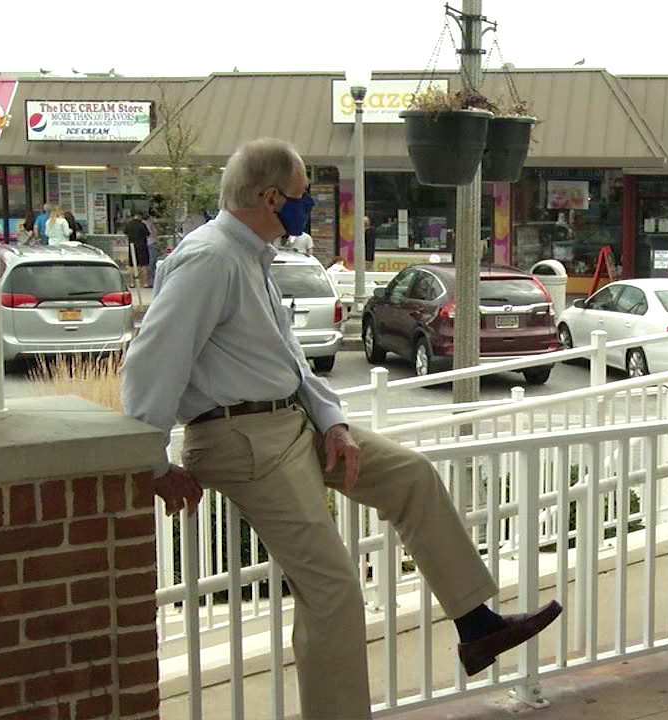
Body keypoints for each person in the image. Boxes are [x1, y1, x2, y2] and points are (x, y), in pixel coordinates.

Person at [121, 138, 561, 720]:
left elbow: (291, 365)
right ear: (271, 197)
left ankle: (476, 624)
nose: (310, 210)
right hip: (241, 438)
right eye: (304, 198)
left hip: (291, 424)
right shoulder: (209, 260)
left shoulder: (251, 258)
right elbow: (152, 362)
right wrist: (153, 462)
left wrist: (334, 423)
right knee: (332, 591)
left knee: (412, 476)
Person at [123, 211, 151, 287]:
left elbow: (125, 233)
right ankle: (145, 283)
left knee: (131, 265)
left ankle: (132, 283)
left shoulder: (129, 225)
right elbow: (148, 234)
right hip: (142, 246)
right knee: (143, 265)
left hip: (132, 246)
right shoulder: (142, 224)